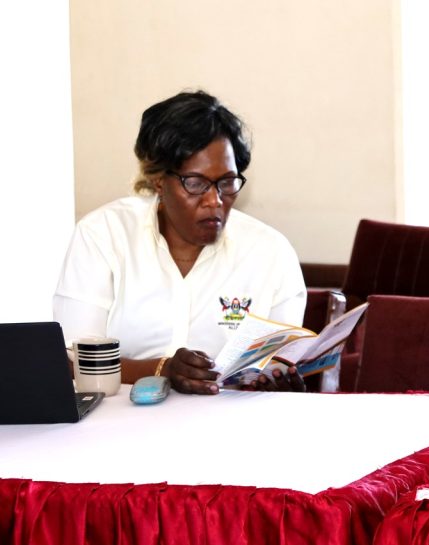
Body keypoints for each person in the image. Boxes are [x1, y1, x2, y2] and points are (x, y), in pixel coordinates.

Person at [54, 90, 307, 394]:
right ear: (159, 180)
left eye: (227, 183)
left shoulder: (270, 253)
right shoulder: (104, 235)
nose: (214, 201)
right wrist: (162, 369)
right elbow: (71, 361)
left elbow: (279, 362)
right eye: (196, 183)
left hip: (228, 428)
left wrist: (278, 384)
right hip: (119, 428)